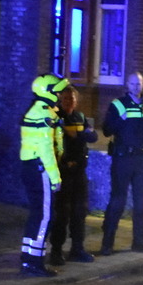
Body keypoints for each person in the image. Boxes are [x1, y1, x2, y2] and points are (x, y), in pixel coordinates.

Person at [99, 71, 143, 256]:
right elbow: (107, 130)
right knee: (118, 201)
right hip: (123, 159)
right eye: (133, 83)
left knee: (142, 202)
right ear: (127, 84)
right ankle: (107, 243)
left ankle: (140, 242)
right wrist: (121, 119)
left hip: (142, 160)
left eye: (139, 83)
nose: (136, 86)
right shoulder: (118, 105)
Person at [18, 72, 70, 277]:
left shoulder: (38, 110)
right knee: (45, 216)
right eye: (57, 92)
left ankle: (27, 258)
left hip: (31, 166)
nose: (59, 96)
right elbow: (46, 149)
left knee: (37, 214)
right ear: (48, 93)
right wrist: (56, 178)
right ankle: (35, 262)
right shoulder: (44, 114)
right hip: (41, 169)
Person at [50, 86, 98, 264]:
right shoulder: (56, 117)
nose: (69, 102)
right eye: (66, 99)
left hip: (79, 172)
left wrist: (77, 134)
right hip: (63, 171)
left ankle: (77, 249)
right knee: (62, 213)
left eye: (72, 99)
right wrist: (80, 135)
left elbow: (92, 136)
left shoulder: (80, 117)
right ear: (60, 101)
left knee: (80, 212)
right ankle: (56, 251)